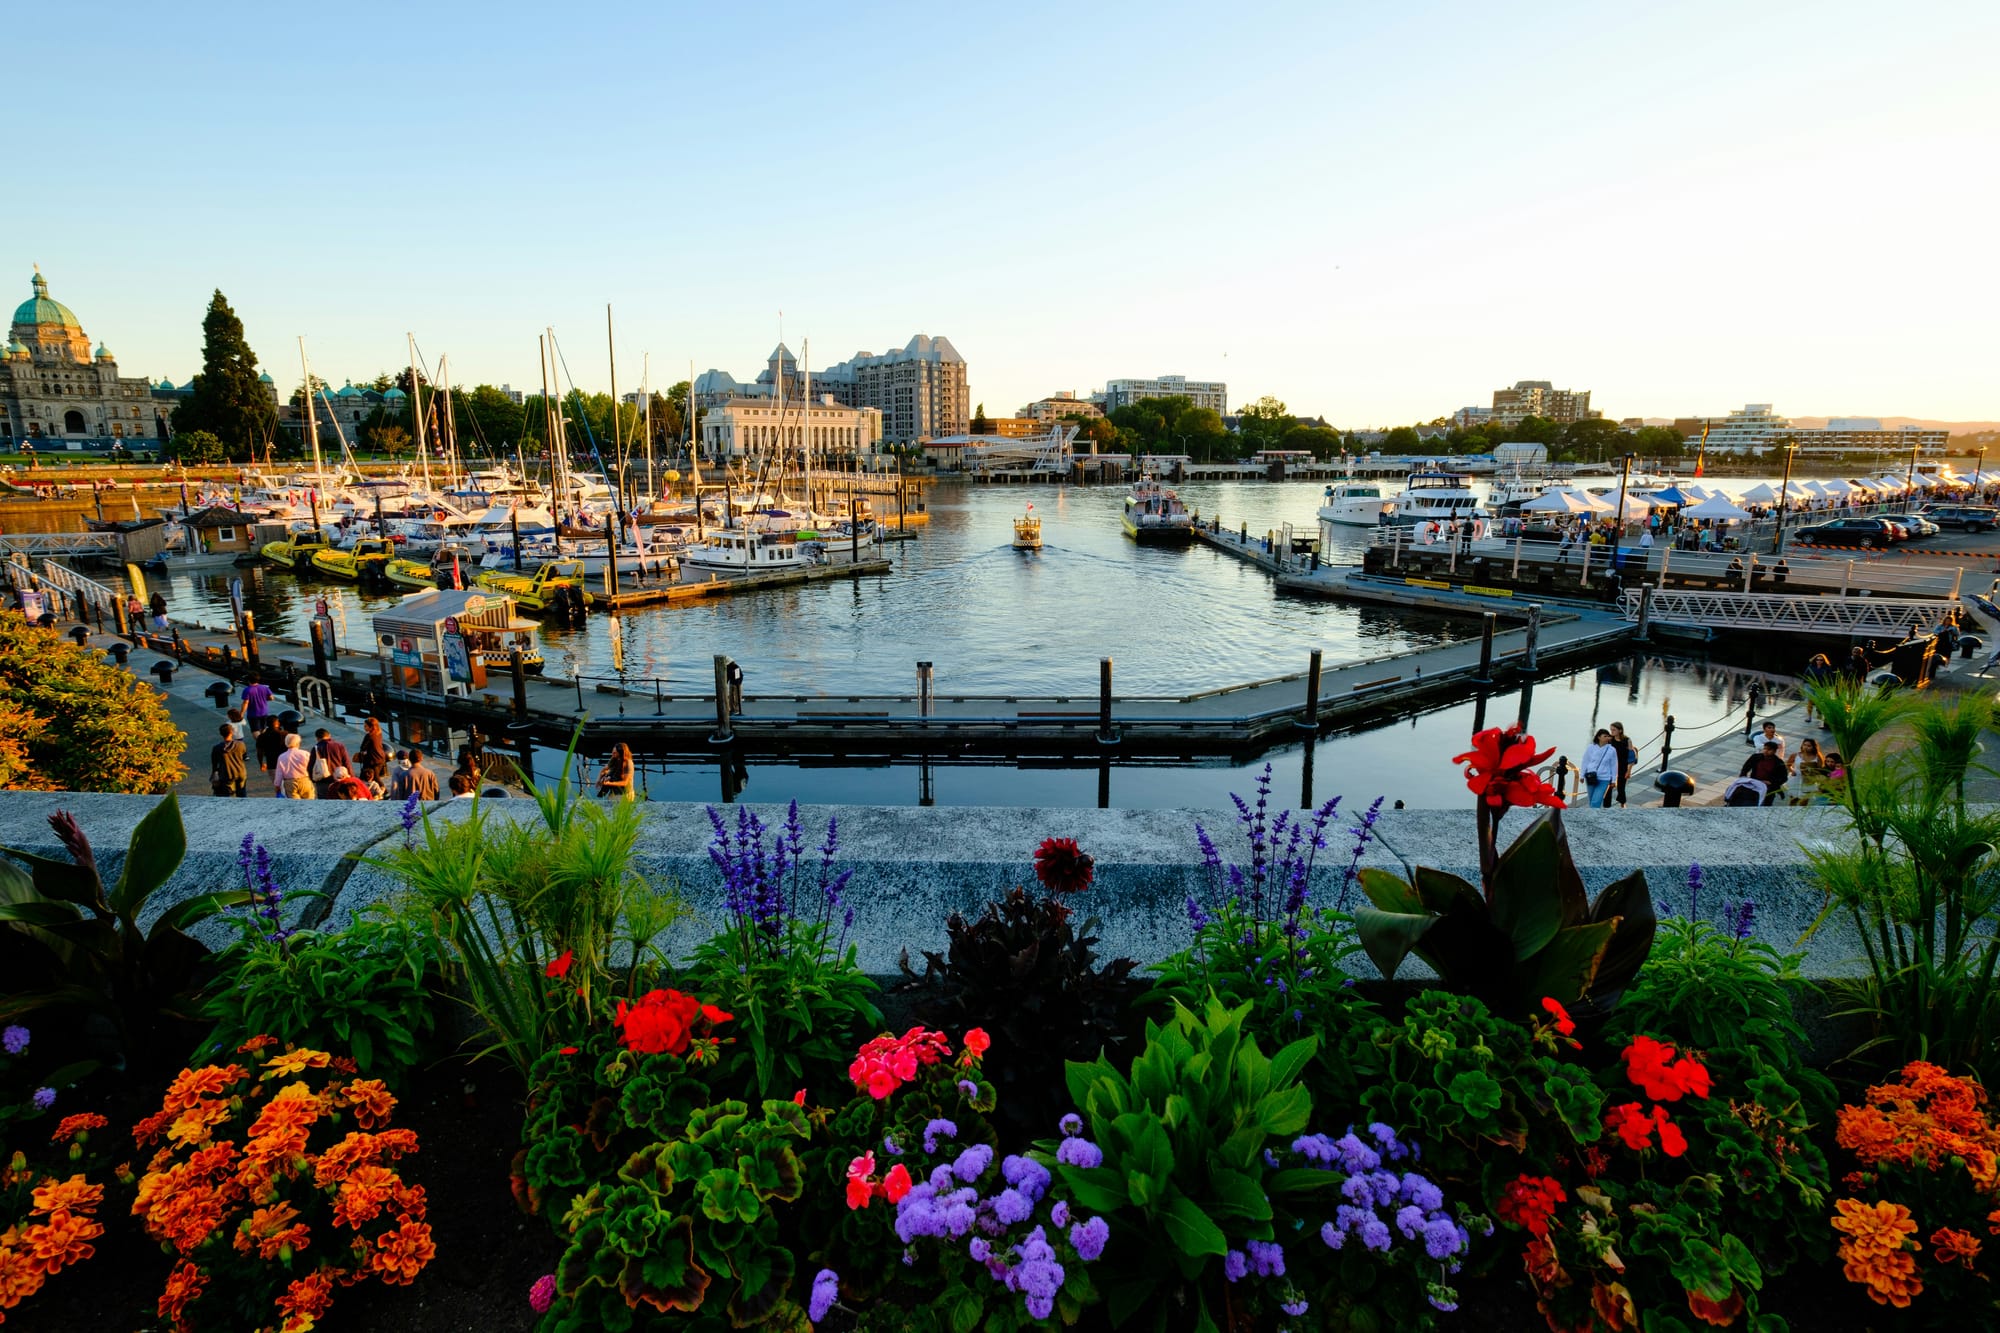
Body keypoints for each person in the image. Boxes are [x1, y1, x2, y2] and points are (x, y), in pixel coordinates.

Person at [1581, 729, 1620, 808]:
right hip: (1590, 776)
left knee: (1596, 800)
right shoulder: (1591, 747)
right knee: (1591, 799)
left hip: (1604, 778)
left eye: (1608, 736)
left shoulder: (1611, 750)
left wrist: (1613, 780)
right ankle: (1594, 816)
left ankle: (1593, 817)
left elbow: (1614, 765)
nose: (1607, 738)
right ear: (1599, 737)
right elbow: (1585, 761)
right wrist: (1582, 775)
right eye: (1604, 736)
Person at [309, 728, 352, 794]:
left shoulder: (316, 748)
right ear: (329, 735)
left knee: (323, 800)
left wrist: (313, 779)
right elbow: (347, 763)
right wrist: (351, 777)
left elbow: (311, 766)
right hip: (339, 778)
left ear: (317, 738)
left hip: (322, 780)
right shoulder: (339, 746)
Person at [210, 723, 247, 798]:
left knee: (227, 797)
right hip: (240, 772)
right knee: (242, 795)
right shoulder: (241, 744)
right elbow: (244, 756)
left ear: (221, 734)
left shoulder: (217, 748)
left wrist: (214, 774)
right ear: (232, 732)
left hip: (226, 774)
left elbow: (214, 764)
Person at [272, 733, 314, 799]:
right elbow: (311, 767)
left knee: (295, 805)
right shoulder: (305, 754)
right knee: (309, 803)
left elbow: (279, 773)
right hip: (305, 780)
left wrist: (277, 786)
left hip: (290, 783)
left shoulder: (282, 757)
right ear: (298, 743)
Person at [1608, 721, 1639, 809]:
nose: (1612, 732)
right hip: (1612, 766)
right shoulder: (1610, 740)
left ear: (1620, 730)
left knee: (1621, 787)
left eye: (1614, 730)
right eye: (1611, 729)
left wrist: (1629, 771)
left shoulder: (1627, 740)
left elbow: (1631, 757)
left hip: (1623, 766)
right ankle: (1607, 805)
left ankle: (1622, 803)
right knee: (1609, 786)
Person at [1801, 654, 1833, 725]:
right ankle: (1809, 716)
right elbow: (1805, 674)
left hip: (1821, 687)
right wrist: (1803, 683)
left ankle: (1819, 712)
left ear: (1824, 661)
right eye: (1817, 659)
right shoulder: (1811, 666)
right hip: (1810, 685)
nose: (1819, 661)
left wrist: (1829, 686)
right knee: (1810, 701)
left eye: (1821, 660)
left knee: (1819, 702)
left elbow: (1830, 677)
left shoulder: (1827, 667)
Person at [355, 717, 390, 784]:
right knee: (372, 777)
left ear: (371, 727)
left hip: (373, 760)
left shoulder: (369, 736)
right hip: (381, 757)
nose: (364, 727)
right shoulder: (379, 733)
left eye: (366, 726)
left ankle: (385, 792)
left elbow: (362, 747)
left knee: (375, 778)